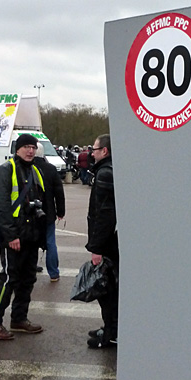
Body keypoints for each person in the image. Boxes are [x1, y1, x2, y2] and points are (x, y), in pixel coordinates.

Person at [0, 134, 46, 340]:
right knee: (10, 278)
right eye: (26, 147)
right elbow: (0, 206)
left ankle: (19, 319)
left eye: (33, 147)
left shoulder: (34, 170)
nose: (30, 151)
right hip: (14, 236)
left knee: (28, 278)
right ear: (17, 149)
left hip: (31, 235)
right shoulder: (5, 170)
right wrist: (11, 235)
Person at [85, 134, 119, 348]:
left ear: (104, 151)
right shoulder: (110, 171)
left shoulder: (105, 174)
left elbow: (104, 214)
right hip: (110, 241)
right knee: (110, 290)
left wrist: (96, 248)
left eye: (95, 149)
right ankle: (110, 328)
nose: (92, 152)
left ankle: (111, 333)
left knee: (106, 290)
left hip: (106, 244)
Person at [33, 144, 66, 282]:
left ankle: (30, 268)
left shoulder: (24, 168)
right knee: (51, 242)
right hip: (48, 213)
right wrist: (61, 211)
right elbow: (59, 193)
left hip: (30, 213)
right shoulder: (51, 169)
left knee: (31, 242)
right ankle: (53, 273)